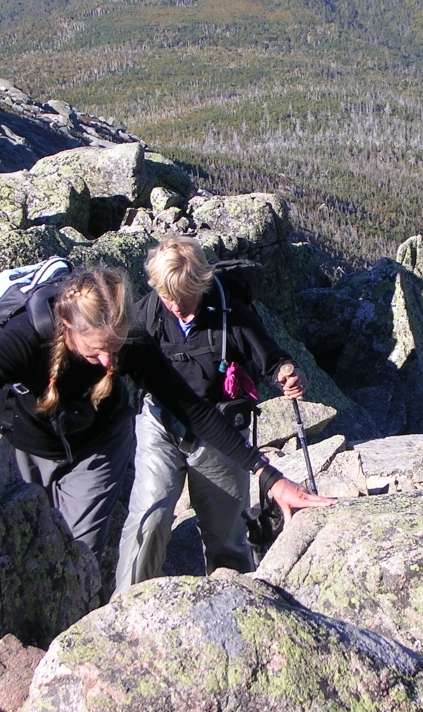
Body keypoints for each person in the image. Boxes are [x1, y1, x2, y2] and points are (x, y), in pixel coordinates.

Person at [0, 266, 332, 565]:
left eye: (115, 348)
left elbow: (192, 410)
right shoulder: (27, 341)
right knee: (24, 545)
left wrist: (271, 477)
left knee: (79, 551)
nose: (109, 364)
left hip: (98, 441)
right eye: (97, 351)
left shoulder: (128, 340)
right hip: (27, 441)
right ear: (68, 330)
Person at [113, 237, 317, 596]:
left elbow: (271, 357)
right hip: (160, 423)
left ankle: (234, 605)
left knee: (227, 538)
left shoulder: (231, 313)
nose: (177, 307)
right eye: (169, 297)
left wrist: (287, 372)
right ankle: (126, 605)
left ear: (202, 284)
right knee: (150, 517)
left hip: (218, 431)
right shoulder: (146, 314)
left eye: (186, 297)